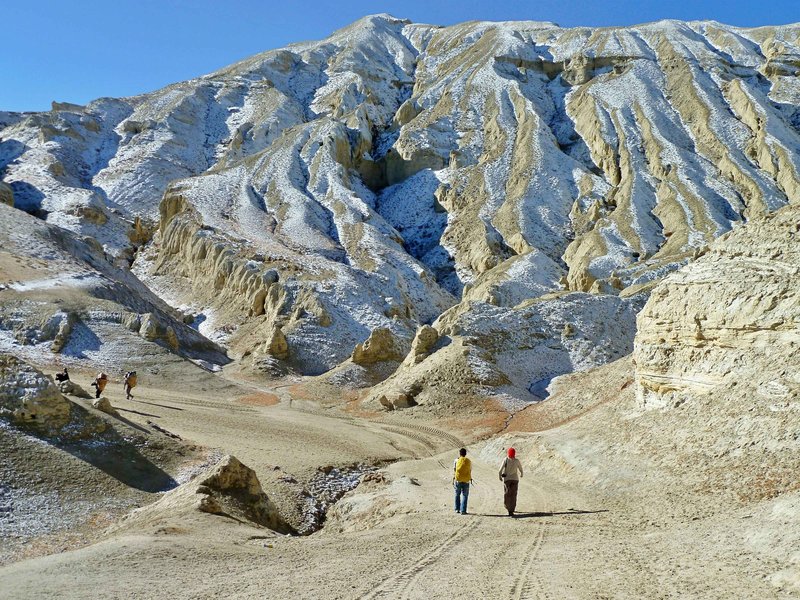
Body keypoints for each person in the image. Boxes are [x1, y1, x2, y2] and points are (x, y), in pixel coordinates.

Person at [499, 447, 523, 517]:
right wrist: (521, 474)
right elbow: (521, 469)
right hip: (515, 479)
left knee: (507, 494)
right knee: (513, 495)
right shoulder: (517, 461)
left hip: (507, 480)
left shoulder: (505, 460)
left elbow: (500, 470)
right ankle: (512, 509)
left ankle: (507, 507)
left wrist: (500, 476)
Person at [453, 447, 472, 515]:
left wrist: (453, 478)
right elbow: (470, 470)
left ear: (460, 454)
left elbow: (455, 470)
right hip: (466, 480)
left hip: (458, 479)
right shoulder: (468, 461)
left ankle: (457, 509)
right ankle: (463, 510)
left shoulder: (456, 460)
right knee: (465, 495)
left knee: (457, 494)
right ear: (465, 454)